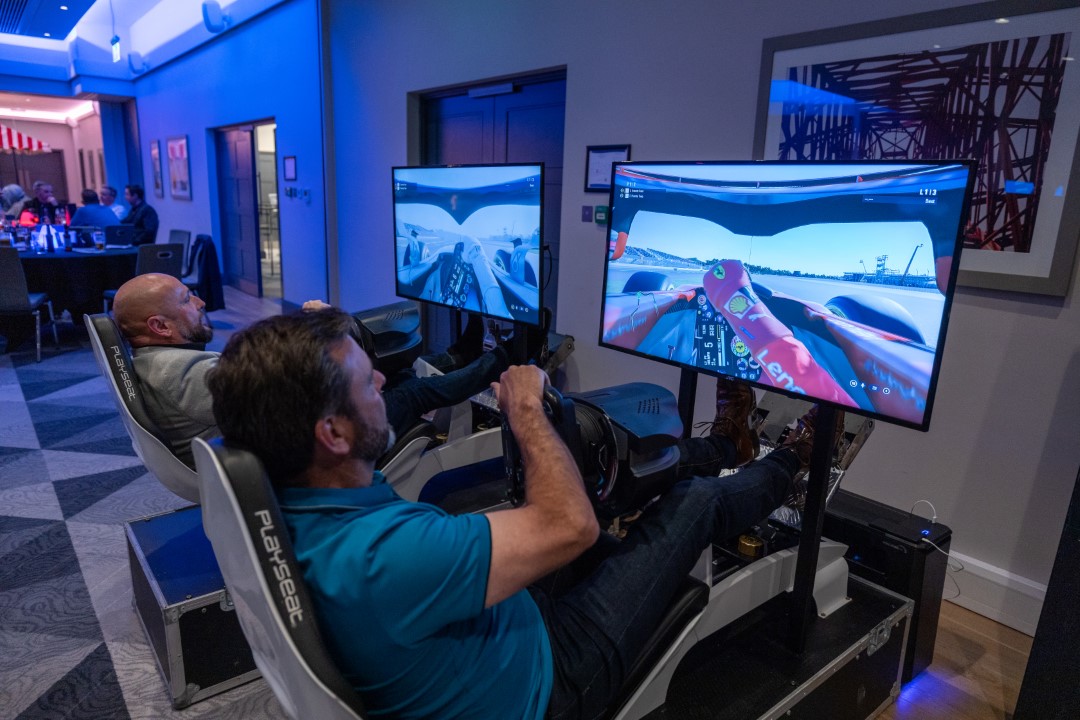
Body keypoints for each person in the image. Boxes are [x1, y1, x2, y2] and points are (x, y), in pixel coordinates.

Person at [205, 306, 838, 719]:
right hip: (550, 679)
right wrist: (526, 412)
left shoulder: (293, 500)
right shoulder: (385, 558)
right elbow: (571, 528)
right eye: (368, 382)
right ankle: (793, 461)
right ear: (332, 433)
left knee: (602, 484)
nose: (384, 389)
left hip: (480, 634)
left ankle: (729, 444)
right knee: (691, 504)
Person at [111, 273, 513, 468]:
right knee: (407, 393)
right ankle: (504, 359)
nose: (199, 301)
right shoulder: (177, 375)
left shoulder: (160, 364)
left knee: (398, 376)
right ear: (159, 327)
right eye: (186, 299)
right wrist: (329, 325)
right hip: (289, 449)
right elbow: (292, 379)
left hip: (269, 432)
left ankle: (461, 356)